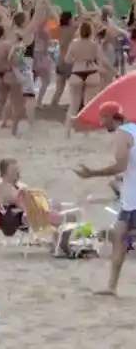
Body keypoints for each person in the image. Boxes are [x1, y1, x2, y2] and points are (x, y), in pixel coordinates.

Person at [74, 101, 136, 296]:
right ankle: (111, 286)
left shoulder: (122, 134)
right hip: (129, 198)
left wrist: (93, 173)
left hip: (134, 199)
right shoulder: (133, 129)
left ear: (112, 118)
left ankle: (112, 286)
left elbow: (121, 165)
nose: (101, 123)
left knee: (120, 237)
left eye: (103, 118)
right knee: (119, 236)